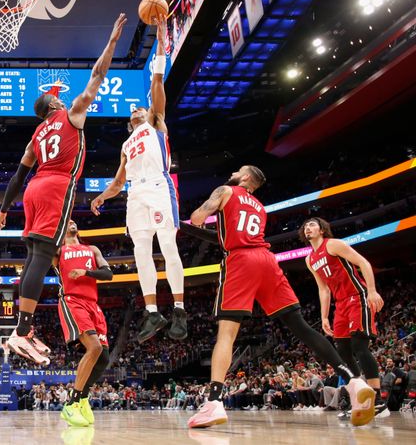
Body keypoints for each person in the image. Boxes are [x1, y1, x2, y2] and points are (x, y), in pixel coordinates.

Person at [184, 166, 376, 428]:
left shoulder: (225, 190)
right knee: (302, 328)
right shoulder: (260, 208)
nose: (232, 172)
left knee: (227, 334)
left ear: (247, 178)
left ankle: (214, 402)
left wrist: (185, 221)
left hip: (241, 261)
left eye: (238, 171)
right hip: (266, 261)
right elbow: (225, 235)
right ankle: (353, 381)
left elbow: (197, 217)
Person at [0, 13, 127, 364]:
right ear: (54, 106)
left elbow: (17, 177)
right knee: (41, 256)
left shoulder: (36, 135)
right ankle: (22, 331)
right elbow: (97, 77)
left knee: (32, 257)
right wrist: (111, 42)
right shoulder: (70, 115)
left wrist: (5, 209)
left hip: (32, 190)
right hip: (56, 185)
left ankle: (24, 329)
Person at [90, 22, 186, 342]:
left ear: (147, 114)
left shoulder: (156, 124)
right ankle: (152, 314)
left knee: (167, 245)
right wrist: (102, 197)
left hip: (159, 186)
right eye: (132, 112)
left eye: (139, 109)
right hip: (134, 194)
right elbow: (118, 182)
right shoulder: (126, 145)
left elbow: (157, 80)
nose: (136, 111)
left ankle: (180, 311)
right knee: (141, 252)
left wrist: (160, 46)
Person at [300, 217, 388, 417]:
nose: (308, 228)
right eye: (305, 226)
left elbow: (363, 262)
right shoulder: (309, 259)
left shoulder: (333, 244)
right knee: (342, 353)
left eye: (312, 225)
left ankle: (378, 401)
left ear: (322, 229)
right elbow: (323, 289)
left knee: (359, 347)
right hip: (340, 305)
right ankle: (359, 396)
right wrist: (324, 316)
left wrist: (372, 290)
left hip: (358, 297)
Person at [54, 220, 113, 427]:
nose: (72, 222)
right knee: (94, 347)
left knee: (104, 357)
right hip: (72, 301)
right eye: (67, 221)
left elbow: (108, 274)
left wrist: (85, 272)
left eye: (73, 221)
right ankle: (71, 404)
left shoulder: (92, 249)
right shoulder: (59, 250)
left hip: (93, 304)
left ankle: (83, 397)